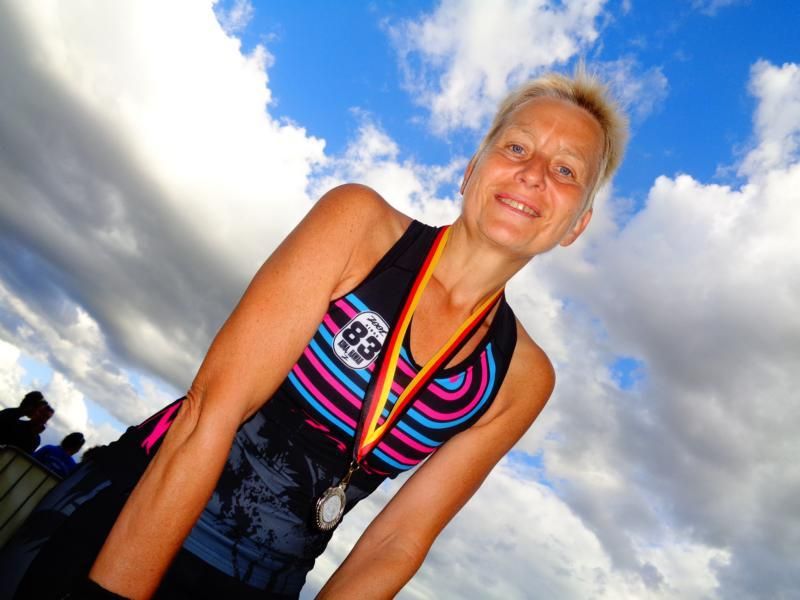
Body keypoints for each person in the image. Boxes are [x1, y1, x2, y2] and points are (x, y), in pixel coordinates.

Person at [0, 69, 627, 599]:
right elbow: (210, 412)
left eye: (566, 169)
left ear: (576, 224)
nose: (534, 173)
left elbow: (397, 540)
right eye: (516, 147)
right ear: (471, 170)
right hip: (128, 522)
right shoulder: (359, 227)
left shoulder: (519, 377)